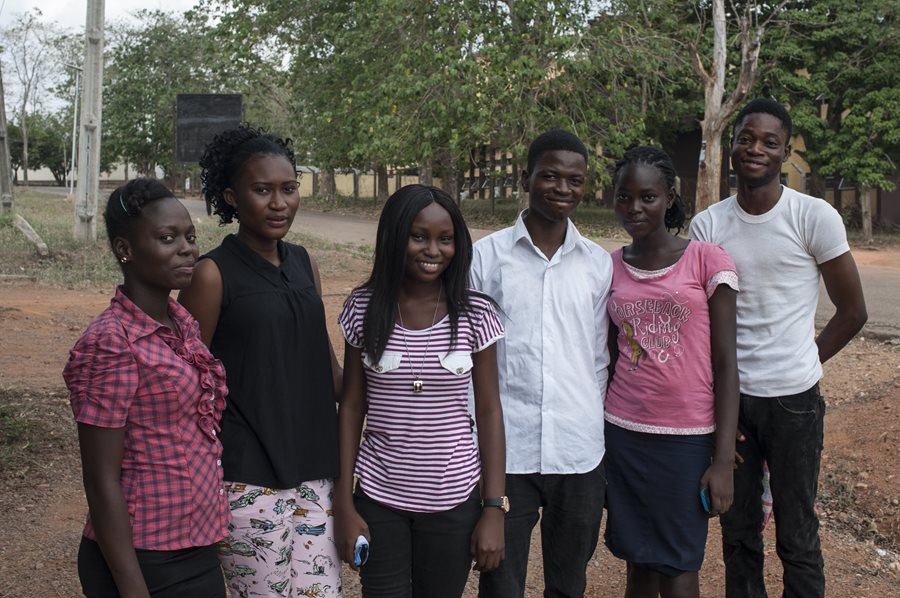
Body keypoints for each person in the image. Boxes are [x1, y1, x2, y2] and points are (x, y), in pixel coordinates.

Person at [690, 98, 868, 598]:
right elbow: (700, 323)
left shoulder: (813, 217)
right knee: (737, 532)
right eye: (746, 138)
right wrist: (713, 405)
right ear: (731, 146)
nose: (756, 149)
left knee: (797, 532)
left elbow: (853, 311)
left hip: (794, 402)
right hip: (732, 405)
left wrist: (806, 359)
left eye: (770, 142)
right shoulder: (708, 226)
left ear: (785, 152)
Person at [178, 125, 342, 598]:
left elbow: (325, 365)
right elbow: (186, 381)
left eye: (288, 189)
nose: (279, 203)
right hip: (247, 476)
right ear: (232, 197)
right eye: (262, 190)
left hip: (314, 468)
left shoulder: (304, 262)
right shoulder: (211, 274)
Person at [334, 184, 506, 597]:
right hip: (379, 498)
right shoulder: (364, 307)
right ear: (394, 237)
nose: (433, 250)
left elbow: (489, 410)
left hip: (454, 500)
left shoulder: (475, 313)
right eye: (418, 236)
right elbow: (353, 406)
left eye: (445, 239)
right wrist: (344, 502)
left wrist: (493, 508)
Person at [63, 179, 229, 597]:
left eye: (190, 237)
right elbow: (100, 478)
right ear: (125, 249)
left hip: (195, 546)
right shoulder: (111, 342)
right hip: (142, 557)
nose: (187, 249)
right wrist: (132, 586)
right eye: (167, 238)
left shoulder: (182, 325)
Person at [472, 130, 613, 598]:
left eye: (575, 180)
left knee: (569, 584)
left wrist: (593, 424)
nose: (562, 188)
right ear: (525, 177)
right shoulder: (486, 258)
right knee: (500, 583)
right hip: (506, 450)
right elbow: (469, 356)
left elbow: (598, 357)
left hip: (578, 450)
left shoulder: (597, 264)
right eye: (550, 176)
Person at [604, 147, 740, 598]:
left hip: (686, 439)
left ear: (669, 198)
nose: (635, 208)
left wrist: (723, 458)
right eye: (625, 197)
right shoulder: (610, 266)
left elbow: (726, 363)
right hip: (623, 432)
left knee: (680, 566)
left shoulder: (707, 260)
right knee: (638, 561)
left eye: (648, 197)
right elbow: (611, 354)